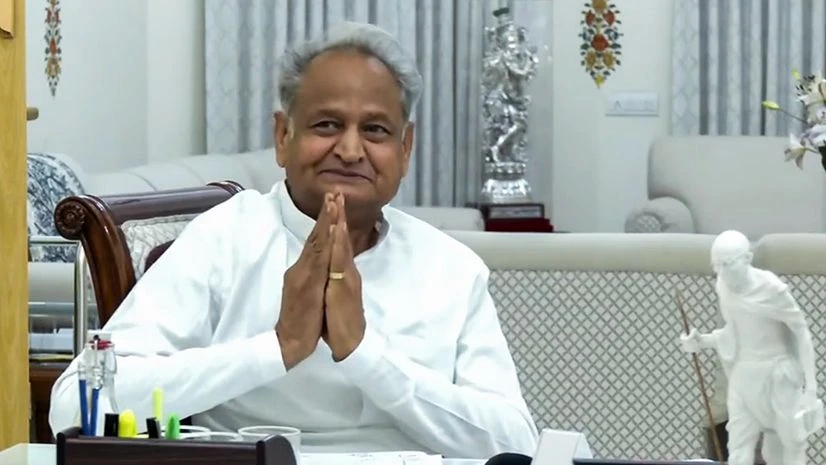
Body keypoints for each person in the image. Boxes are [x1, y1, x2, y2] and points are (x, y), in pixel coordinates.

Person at [49, 22, 538, 458]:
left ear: (404, 148)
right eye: (327, 125)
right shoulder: (223, 239)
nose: (349, 150)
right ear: (283, 136)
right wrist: (277, 348)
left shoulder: (451, 266)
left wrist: (365, 355)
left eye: (375, 130)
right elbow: (73, 405)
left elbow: (513, 441)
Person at [679, 230, 823, 465]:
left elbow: (802, 333)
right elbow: (734, 333)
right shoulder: (723, 287)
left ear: (747, 258)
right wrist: (702, 341)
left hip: (778, 374)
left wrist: (811, 389)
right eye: (717, 266)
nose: (722, 272)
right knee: (738, 448)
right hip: (744, 377)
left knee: (790, 443)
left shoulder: (772, 290)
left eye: (728, 264)